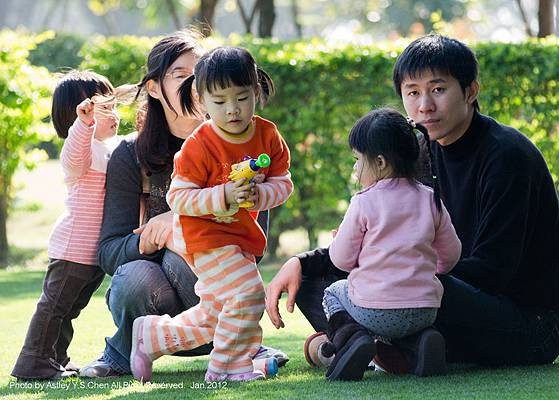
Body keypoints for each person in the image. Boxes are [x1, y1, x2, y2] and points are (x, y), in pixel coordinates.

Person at [266, 34, 559, 373]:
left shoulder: (506, 157)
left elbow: (494, 271)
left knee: (409, 286)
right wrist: (303, 262)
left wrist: (394, 269)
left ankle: (351, 345)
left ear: (471, 91)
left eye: (438, 90)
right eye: (413, 92)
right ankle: (397, 349)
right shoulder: (417, 152)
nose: (424, 105)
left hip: (527, 324)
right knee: (319, 280)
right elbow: (381, 233)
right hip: (439, 299)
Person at [80, 32, 288, 378]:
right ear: (154, 88)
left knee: (207, 272)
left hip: (218, 278)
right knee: (135, 277)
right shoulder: (134, 154)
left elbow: (255, 234)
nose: (193, 85)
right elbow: (109, 251)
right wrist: (162, 233)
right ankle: (135, 347)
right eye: (182, 76)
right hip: (163, 286)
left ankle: (237, 345)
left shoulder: (248, 139)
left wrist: (180, 222)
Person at [308, 108, 461, 381]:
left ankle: (353, 341)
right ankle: (421, 343)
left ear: (379, 162)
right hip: (426, 310)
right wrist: (425, 268)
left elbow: (341, 260)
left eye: (357, 160)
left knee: (333, 292)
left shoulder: (364, 201)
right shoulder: (430, 197)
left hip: (375, 311)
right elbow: (450, 257)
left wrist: (341, 244)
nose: (355, 168)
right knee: (406, 320)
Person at [12, 70, 122, 380]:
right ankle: (33, 362)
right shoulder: (80, 150)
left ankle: (55, 358)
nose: (114, 115)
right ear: (81, 113)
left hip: (92, 254)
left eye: (115, 107)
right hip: (73, 248)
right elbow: (75, 157)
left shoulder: (108, 149)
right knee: (54, 307)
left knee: (68, 310)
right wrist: (84, 123)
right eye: (105, 109)